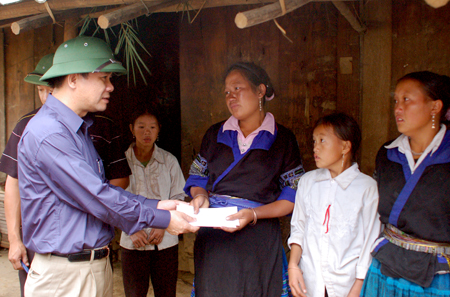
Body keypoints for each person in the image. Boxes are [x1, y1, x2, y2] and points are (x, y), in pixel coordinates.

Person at [17, 35, 198, 297]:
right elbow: (96, 197)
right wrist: (164, 218)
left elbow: (101, 190)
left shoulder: (76, 130)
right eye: (104, 78)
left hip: (86, 267)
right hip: (65, 277)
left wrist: (158, 205)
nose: (111, 86)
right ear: (73, 79)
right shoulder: (50, 134)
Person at [0, 53, 132, 296]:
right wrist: (15, 239)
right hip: (50, 248)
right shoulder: (31, 126)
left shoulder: (98, 124)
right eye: (43, 90)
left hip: (92, 245)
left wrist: (98, 206)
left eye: (52, 88)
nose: (48, 97)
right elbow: (14, 183)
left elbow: (119, 177)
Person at [184, 62, 305, 296]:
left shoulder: (283, 139)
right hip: (215, 237)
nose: (231, 97)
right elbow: (198, 177)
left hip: (258, 239)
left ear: (260, 91)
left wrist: (253, 214)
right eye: (227, 92)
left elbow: (292, 194)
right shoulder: (215, 134)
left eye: (238, 88)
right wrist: (200, 198)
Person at [360, 71, 450, 296]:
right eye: (396, 101)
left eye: (407, 100)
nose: (398, 108)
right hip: (386, 268)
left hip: (438, 278)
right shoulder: (388, 153)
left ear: (435, 107)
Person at [287, 113, 381, 297]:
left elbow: (370, 243)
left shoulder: (367, 188)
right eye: (314, 141)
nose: (316, 148)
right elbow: (298, 228)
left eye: (322, 140)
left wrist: (358, 287)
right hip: (309, 282)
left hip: (346, 285)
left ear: (345, 146)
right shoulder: (307, 182)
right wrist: (293, 266)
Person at [120, 108, 185, 297]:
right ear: (132, 129)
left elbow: (179, 197)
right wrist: (131, 227)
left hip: (164, 242)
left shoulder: (169, 161)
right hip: (132, 242)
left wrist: (163, 223)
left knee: (166, 293)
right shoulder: (122, 162)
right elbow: (115, 200)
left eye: (152, 127)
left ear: (159, 130)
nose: (146, 132)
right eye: (141, 127)